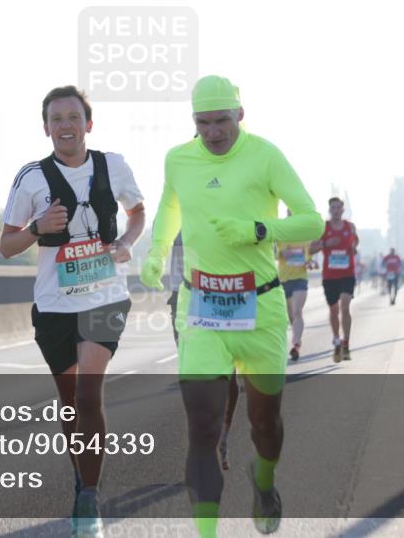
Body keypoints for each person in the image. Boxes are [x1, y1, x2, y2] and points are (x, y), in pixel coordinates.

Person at [140, 75, 322, 536]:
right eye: (203, 122)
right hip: (201, 304)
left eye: (222, 120)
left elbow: (311, 220)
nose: (213, 131)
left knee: (265, 424)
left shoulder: (265, 156)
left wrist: (259, 230)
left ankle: (264, 479)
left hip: (260, 307)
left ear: (240, 115)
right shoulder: (178, 160)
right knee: (202, 427)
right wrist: (157, 254)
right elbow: (170, 208)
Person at [0, 85, 145, 538]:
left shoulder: (113, 165)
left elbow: (137, 212)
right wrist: (36, 228)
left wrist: (124, 243)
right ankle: (82, 479)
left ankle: (90, 497)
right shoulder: (31, 178)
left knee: (87, 393)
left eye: (73, 116)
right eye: (56, 118)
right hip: (54, 303)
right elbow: (5, 246)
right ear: (46, 128)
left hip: (104, 295)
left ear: (88, 123)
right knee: (69, 403)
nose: (65, 125)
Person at [169, 232, 240, 471]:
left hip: (222, 297)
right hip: (183, 299)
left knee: (228, 379)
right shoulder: (171, 211)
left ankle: (222, 438)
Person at [310, 198, 359, 363]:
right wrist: (326, 243)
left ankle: (346, 343)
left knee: (345, 306)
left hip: (347, 274)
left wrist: (353, 248)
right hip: (330, 276)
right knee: (333, 311)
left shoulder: (349, 227)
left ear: (343, 210)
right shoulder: (323, 228)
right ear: (329, 209)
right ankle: (337, 340)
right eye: (333, 207)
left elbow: (355, 242)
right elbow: (311, 248)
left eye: (338, 207)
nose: (336, 210)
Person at [275, 211, 312, 362]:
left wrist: (308, 261)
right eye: (289, 214)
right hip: (284, 278)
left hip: (300, 277)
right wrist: (283, 253)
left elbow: (308, 255)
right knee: (289, 314)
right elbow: (276, 254)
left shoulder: (306, 234)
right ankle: (297, 338)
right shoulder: (281, 232)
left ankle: (295, 344)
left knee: (297, 311)